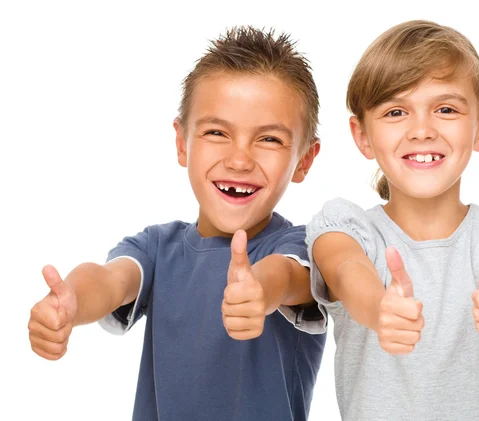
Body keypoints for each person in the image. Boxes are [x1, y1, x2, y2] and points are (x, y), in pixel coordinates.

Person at [28, 26, 326, 421]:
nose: (239, 160)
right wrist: (73, 303)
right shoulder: (157, 248)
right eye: (217, 132)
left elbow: (289, 278)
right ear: (182, 143)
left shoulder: (302, 246)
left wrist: (260, 290)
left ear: (304, 160)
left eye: (269, 139)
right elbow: (111, 279)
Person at [307, 20, 479, 421]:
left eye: (445, 109)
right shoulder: (348, 231)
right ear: (362, 135)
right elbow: (345, 269)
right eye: (396, 111)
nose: (422, 130)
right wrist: (378, 308)